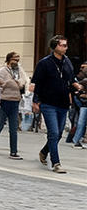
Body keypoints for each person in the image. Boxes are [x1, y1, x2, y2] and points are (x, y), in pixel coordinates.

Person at [30, 35, 81, 173]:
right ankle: (56, 163)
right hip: (48, 103)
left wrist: (76, 85)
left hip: (63, 103)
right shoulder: (44, 63)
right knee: (53, 132)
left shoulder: (67, 61)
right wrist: (35, 101)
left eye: (66, 45)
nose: (65, 48)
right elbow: (37, 83)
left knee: (58, 134)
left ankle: (44, 151)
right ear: (54, 47)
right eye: (62, 45)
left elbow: (71, 78)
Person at [0, 51, 27, 159]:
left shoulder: (20, 71)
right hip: (3, 101)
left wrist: (15, 83)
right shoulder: (2, 71)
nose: (16, 62)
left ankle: (13, 151)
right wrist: (11, 83)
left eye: (18, 60)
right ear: (9, 59)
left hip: (15, 101)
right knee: (0, 124)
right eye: (15, 59)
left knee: (13, 127)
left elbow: (23, 82)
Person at [71, 63, 87, 148]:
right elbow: (77, 92)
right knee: (80, 122)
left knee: (80, 122)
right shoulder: (84, 81)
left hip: (83, 105)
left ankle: (76, 140)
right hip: (84, 105)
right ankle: (76, 140)